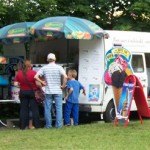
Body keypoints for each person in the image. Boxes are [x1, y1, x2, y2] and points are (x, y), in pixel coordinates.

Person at [34, 53, 67, 128]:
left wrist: (42, 82)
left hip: (48, 91)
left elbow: (35, 76)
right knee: (59, 108)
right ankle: (58, 125)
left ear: (47, 60)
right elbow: (65, 77)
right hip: (58, 91)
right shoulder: (59, 67)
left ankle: (48, 125)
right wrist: (63, 86)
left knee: (47, 109)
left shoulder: (44, 68)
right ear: (55, 59)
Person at [14, 60, 40, 129]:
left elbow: (15, 84)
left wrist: (21, 86)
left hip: (23, 92)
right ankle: (37, 125)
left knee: (23, 109)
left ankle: (22, 126)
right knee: (34, 109)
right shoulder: (34, 73)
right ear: (30, 65)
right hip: (32, 92)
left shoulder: (19, 73)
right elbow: (37, 84)